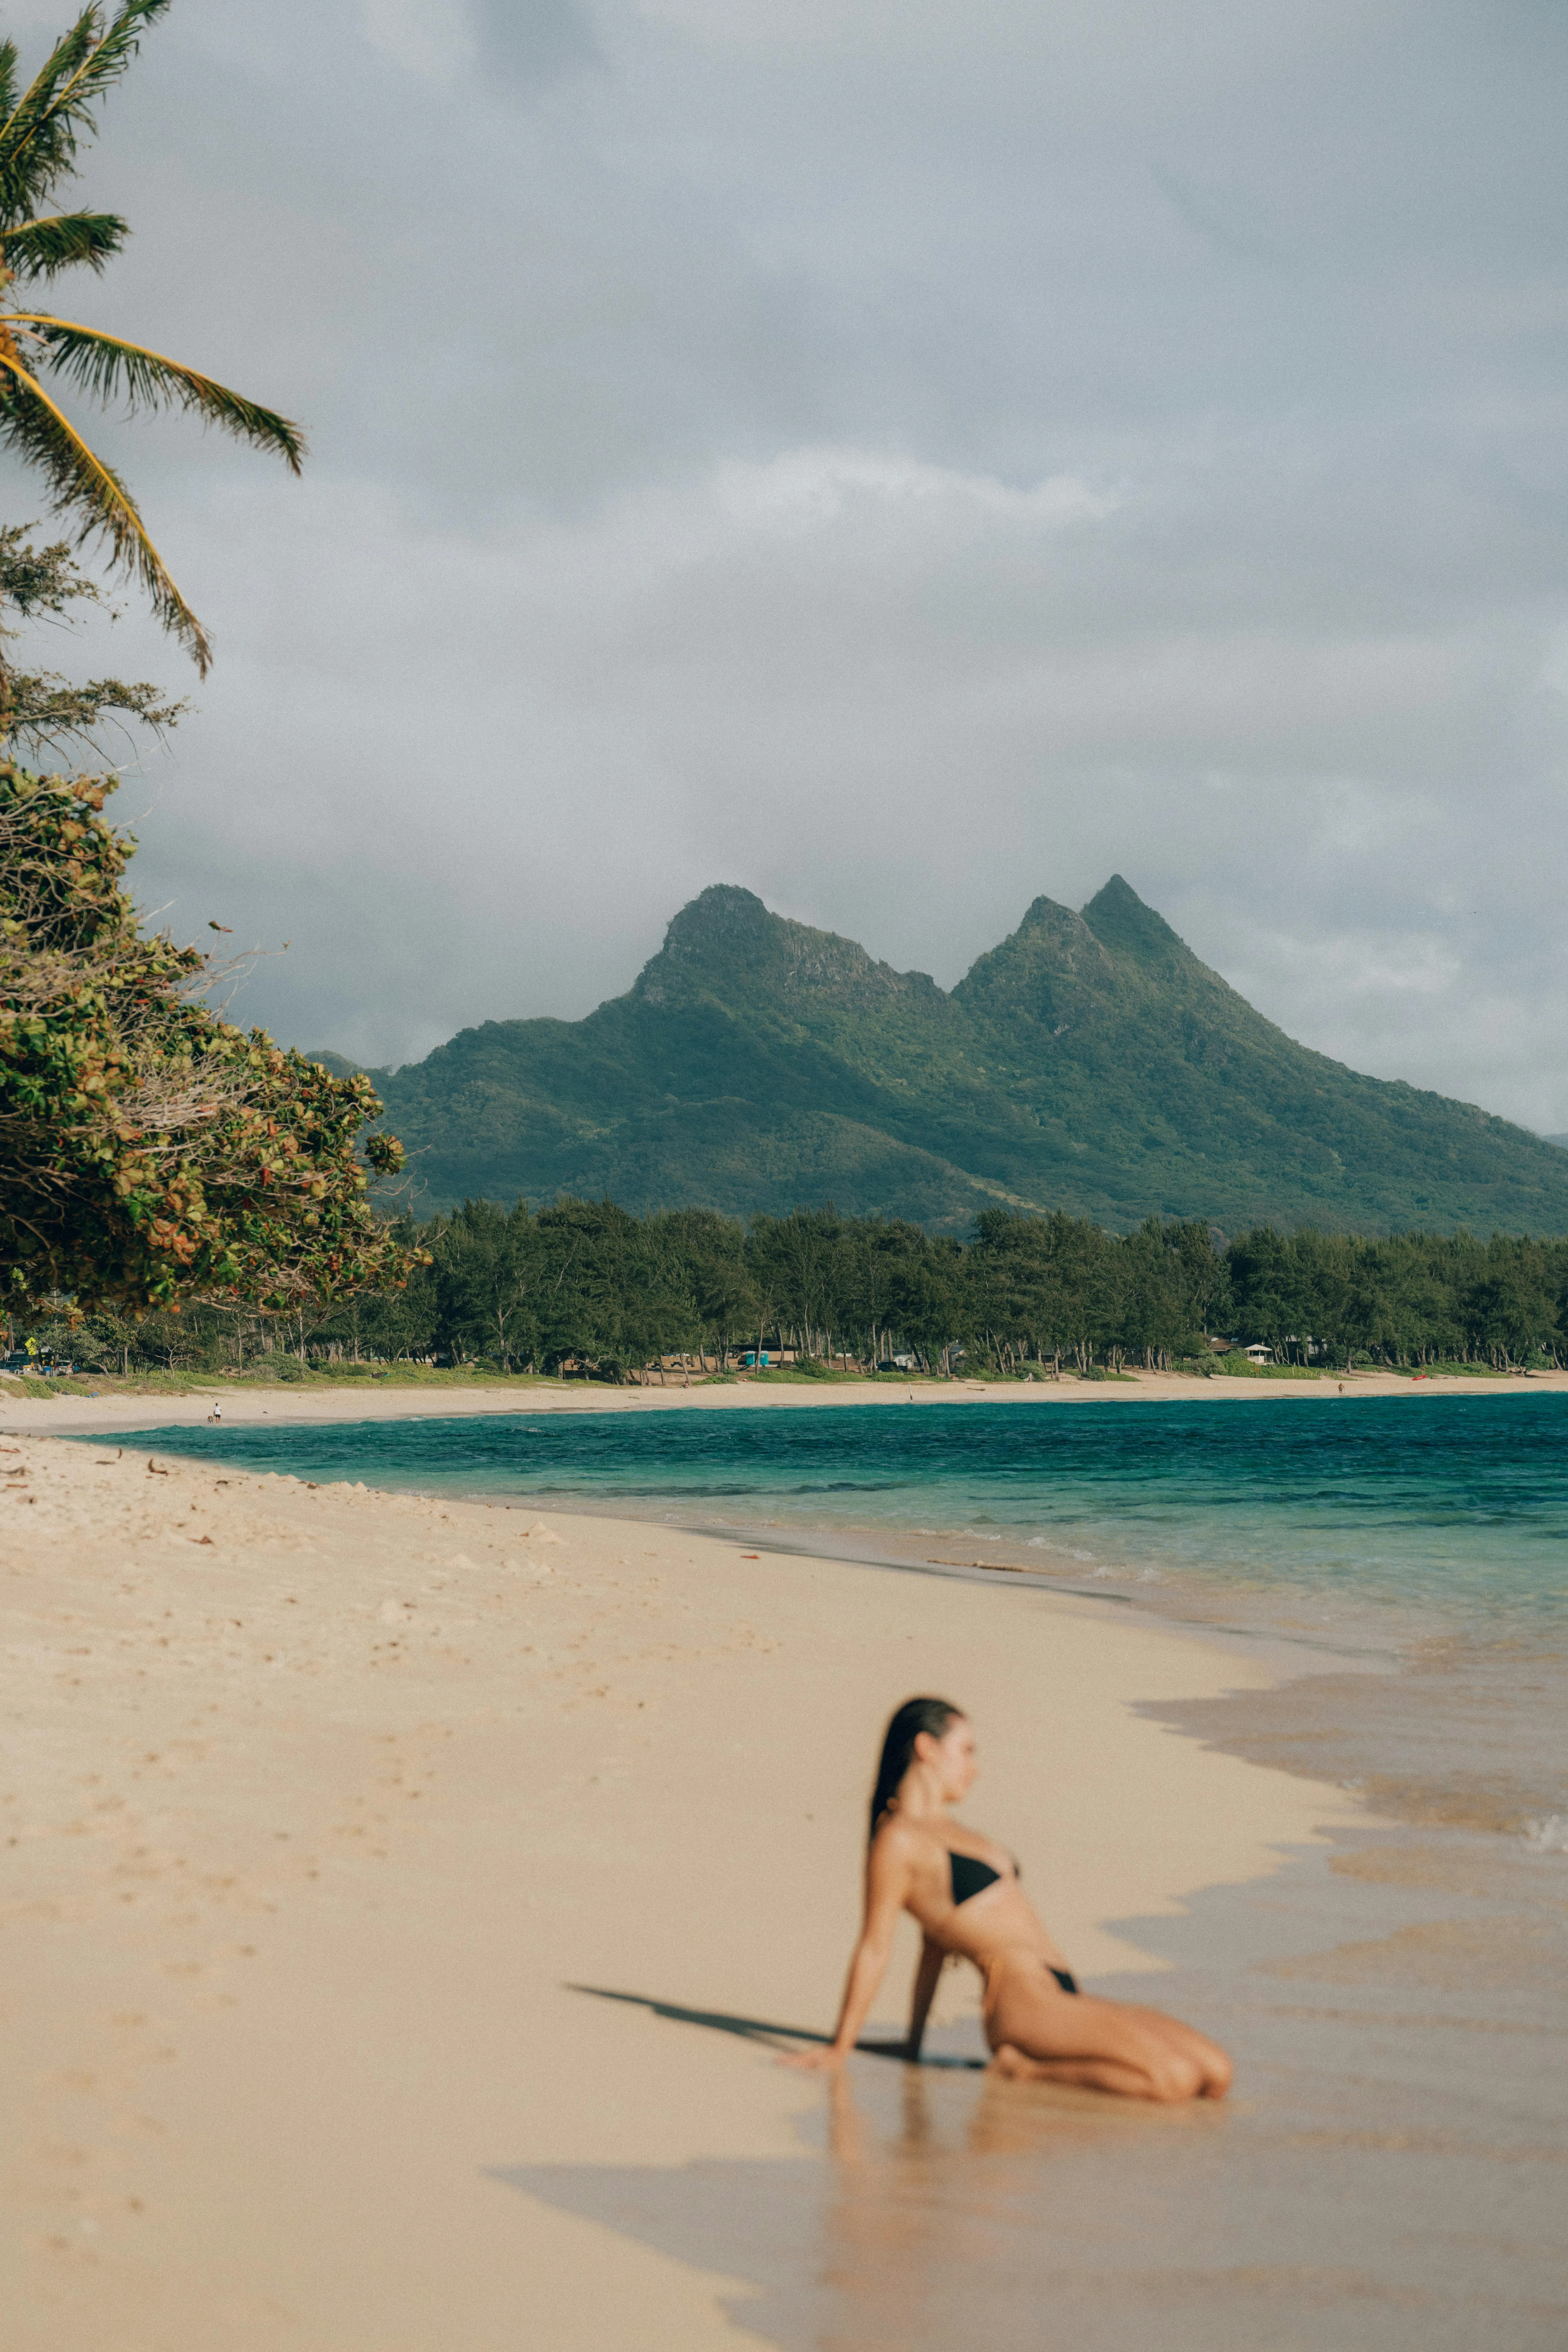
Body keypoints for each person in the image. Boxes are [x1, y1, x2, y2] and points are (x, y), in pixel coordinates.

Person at [785, 1696, 1232, 2102]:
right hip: (1021, 2003)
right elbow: (876, 1946)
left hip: (1061, 1990)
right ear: (926, 1748)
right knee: (1170, 2081)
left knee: (1216, 2073)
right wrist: (839, 2049)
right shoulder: (899, 1842)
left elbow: (935, 1942)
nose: (974, 1767)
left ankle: (1032, 2063)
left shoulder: (956, 1832)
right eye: (966, 1751)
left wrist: (913, 2043)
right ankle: (1022, 2070)